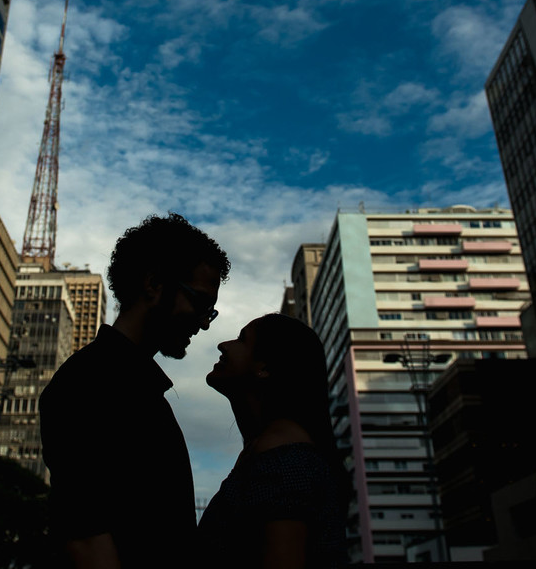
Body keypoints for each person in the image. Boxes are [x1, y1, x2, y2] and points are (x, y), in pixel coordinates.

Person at [39, 213, 230, 569]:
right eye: (201, 303)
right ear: (154, 284)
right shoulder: (90, 385)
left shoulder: (133, 388)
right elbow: (86, 540)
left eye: (211, 312)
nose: (205, 322)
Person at [198, 314, 348, 569]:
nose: (223, 345)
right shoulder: (274, 455)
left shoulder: (284, 463)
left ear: (264, 368)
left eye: (241, 340)